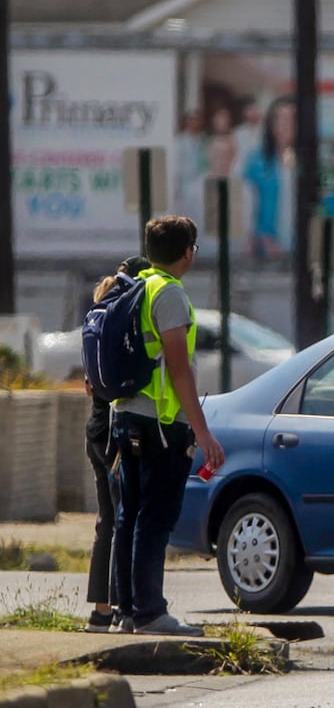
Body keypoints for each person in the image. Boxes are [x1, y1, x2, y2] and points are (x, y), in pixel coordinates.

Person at [110, 216, 224, 636]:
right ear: (187, 252)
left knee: (130, 515)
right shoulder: (170, 293)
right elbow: (179, 369)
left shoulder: (138, 285)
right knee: (154, 518)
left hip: (126, 414)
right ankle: (150, 612)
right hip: (160, 423)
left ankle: (127, 612)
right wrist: (203, 431)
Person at [80, 254, 150, 633]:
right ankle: (124, 608)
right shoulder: (126, 318)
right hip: (115, 431)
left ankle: (101, 612)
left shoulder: (97, 316)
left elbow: (90, 384)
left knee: (107, 519)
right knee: (125, 517)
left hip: (95, 425)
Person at [241, 96, 296, 263]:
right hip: (266, 248)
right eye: (280, 119)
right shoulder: (257, 161)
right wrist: (262, 236)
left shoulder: (308, 160)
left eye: (291, 119)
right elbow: (247, 206)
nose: (285, 125)